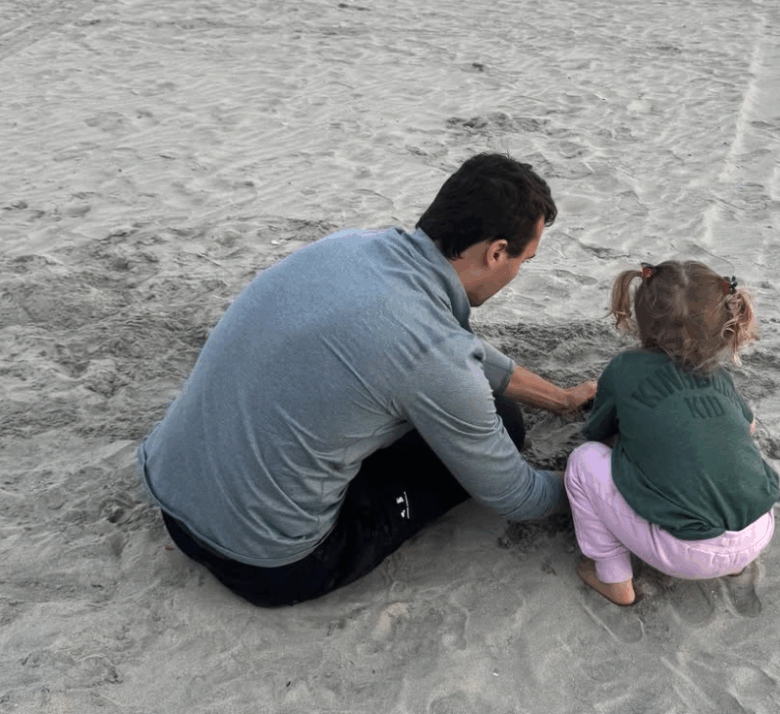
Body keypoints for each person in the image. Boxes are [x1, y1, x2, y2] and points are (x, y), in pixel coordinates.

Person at [137, 153, 596, 607]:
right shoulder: (435, 353)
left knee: (457, 402)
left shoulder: (351, 245)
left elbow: (448, 349)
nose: (518, 272)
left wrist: (559, 398)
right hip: (267, 562)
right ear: (496, 252)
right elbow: (515, 494)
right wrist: (603, 490)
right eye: (524, 260)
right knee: (503, 425)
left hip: (175, 502)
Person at [563, 260, 780, 608]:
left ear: (640, 319)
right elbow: (748, 426)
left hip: (685, 552)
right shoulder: (719, 376)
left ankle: (614, 579)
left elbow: (598, 436)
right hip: (757, 530)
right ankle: (734, 565)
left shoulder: (624, 368)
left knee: (582, 461)